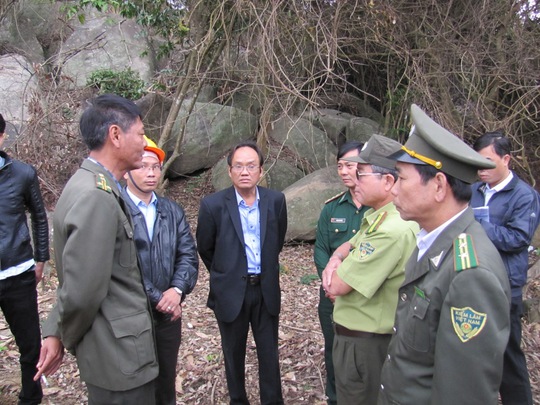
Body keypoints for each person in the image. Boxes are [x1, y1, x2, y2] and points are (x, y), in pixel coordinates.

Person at [378, 104, 511, 404]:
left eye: (401, 178)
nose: (393, 190)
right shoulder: (433, 242)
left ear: (439, 185)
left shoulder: (471, 274)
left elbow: (464, 393)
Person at [34, 94, 159, 404]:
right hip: (119, 357)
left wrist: (53, 328)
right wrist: (65, 336)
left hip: (117, 352)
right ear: (115, 135)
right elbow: (82, 291)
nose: (144, 143)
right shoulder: (96, 196)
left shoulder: (87, 183)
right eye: (140, 134)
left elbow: (76, 274)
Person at [322, 135, 419, 405]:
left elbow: (337, 286)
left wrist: (335, 273)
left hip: (366, 344)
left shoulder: (390, 230)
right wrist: (335, 259)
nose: (354, 178)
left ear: (388, 181)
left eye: (361, 173)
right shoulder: (379, 217)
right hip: (361, 339)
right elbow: (345, 246)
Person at [196, 141, 287, 405]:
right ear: (229, 171)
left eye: (251, 166)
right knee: (233, 355)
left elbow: (276, 241)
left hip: (265, 289)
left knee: (269, 355)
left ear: (261, 170)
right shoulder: (213, 205)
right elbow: (206, 248)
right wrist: (227, 273)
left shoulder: (275, 201)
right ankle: (238, 400)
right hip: (231, 291)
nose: (244, 171)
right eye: (238, 166)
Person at [122, 136, 199, 405]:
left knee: (165, 381)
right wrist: (160, 299)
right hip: (131, 315)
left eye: (155, 166)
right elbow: (124, 268)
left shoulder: (171, 210)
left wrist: (176, 291)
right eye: (143, 166)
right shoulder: (116, 209)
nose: (151, 173)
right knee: (135, 385)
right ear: (127, 169)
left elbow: (188, 255)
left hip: (168, 317)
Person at [471, 132, 540, 405]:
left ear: (506, 159)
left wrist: (480, 227)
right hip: (472, 280)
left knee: (507, 355)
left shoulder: (524, 196)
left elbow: (518, 239)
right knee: (473, 352)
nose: (482, 169)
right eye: (477, 163)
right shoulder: (474, 191)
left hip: (504, 285)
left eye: (488, 161)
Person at [313, 141, 369, 405]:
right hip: (331, 297)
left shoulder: (381, 207)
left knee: (366, 354)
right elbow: (321, 250)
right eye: (340, 166)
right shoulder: (332, 208)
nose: (344, 171)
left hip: (366, 296)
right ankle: (335, 398)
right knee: (335, 351)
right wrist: (330, 285)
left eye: (350, 165)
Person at [0, 113, 49, 404]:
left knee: (29, 344)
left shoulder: (22, 173)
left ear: (3, 136)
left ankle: (30, 397)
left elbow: (39, 217)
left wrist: (41, 258)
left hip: (18, 271)